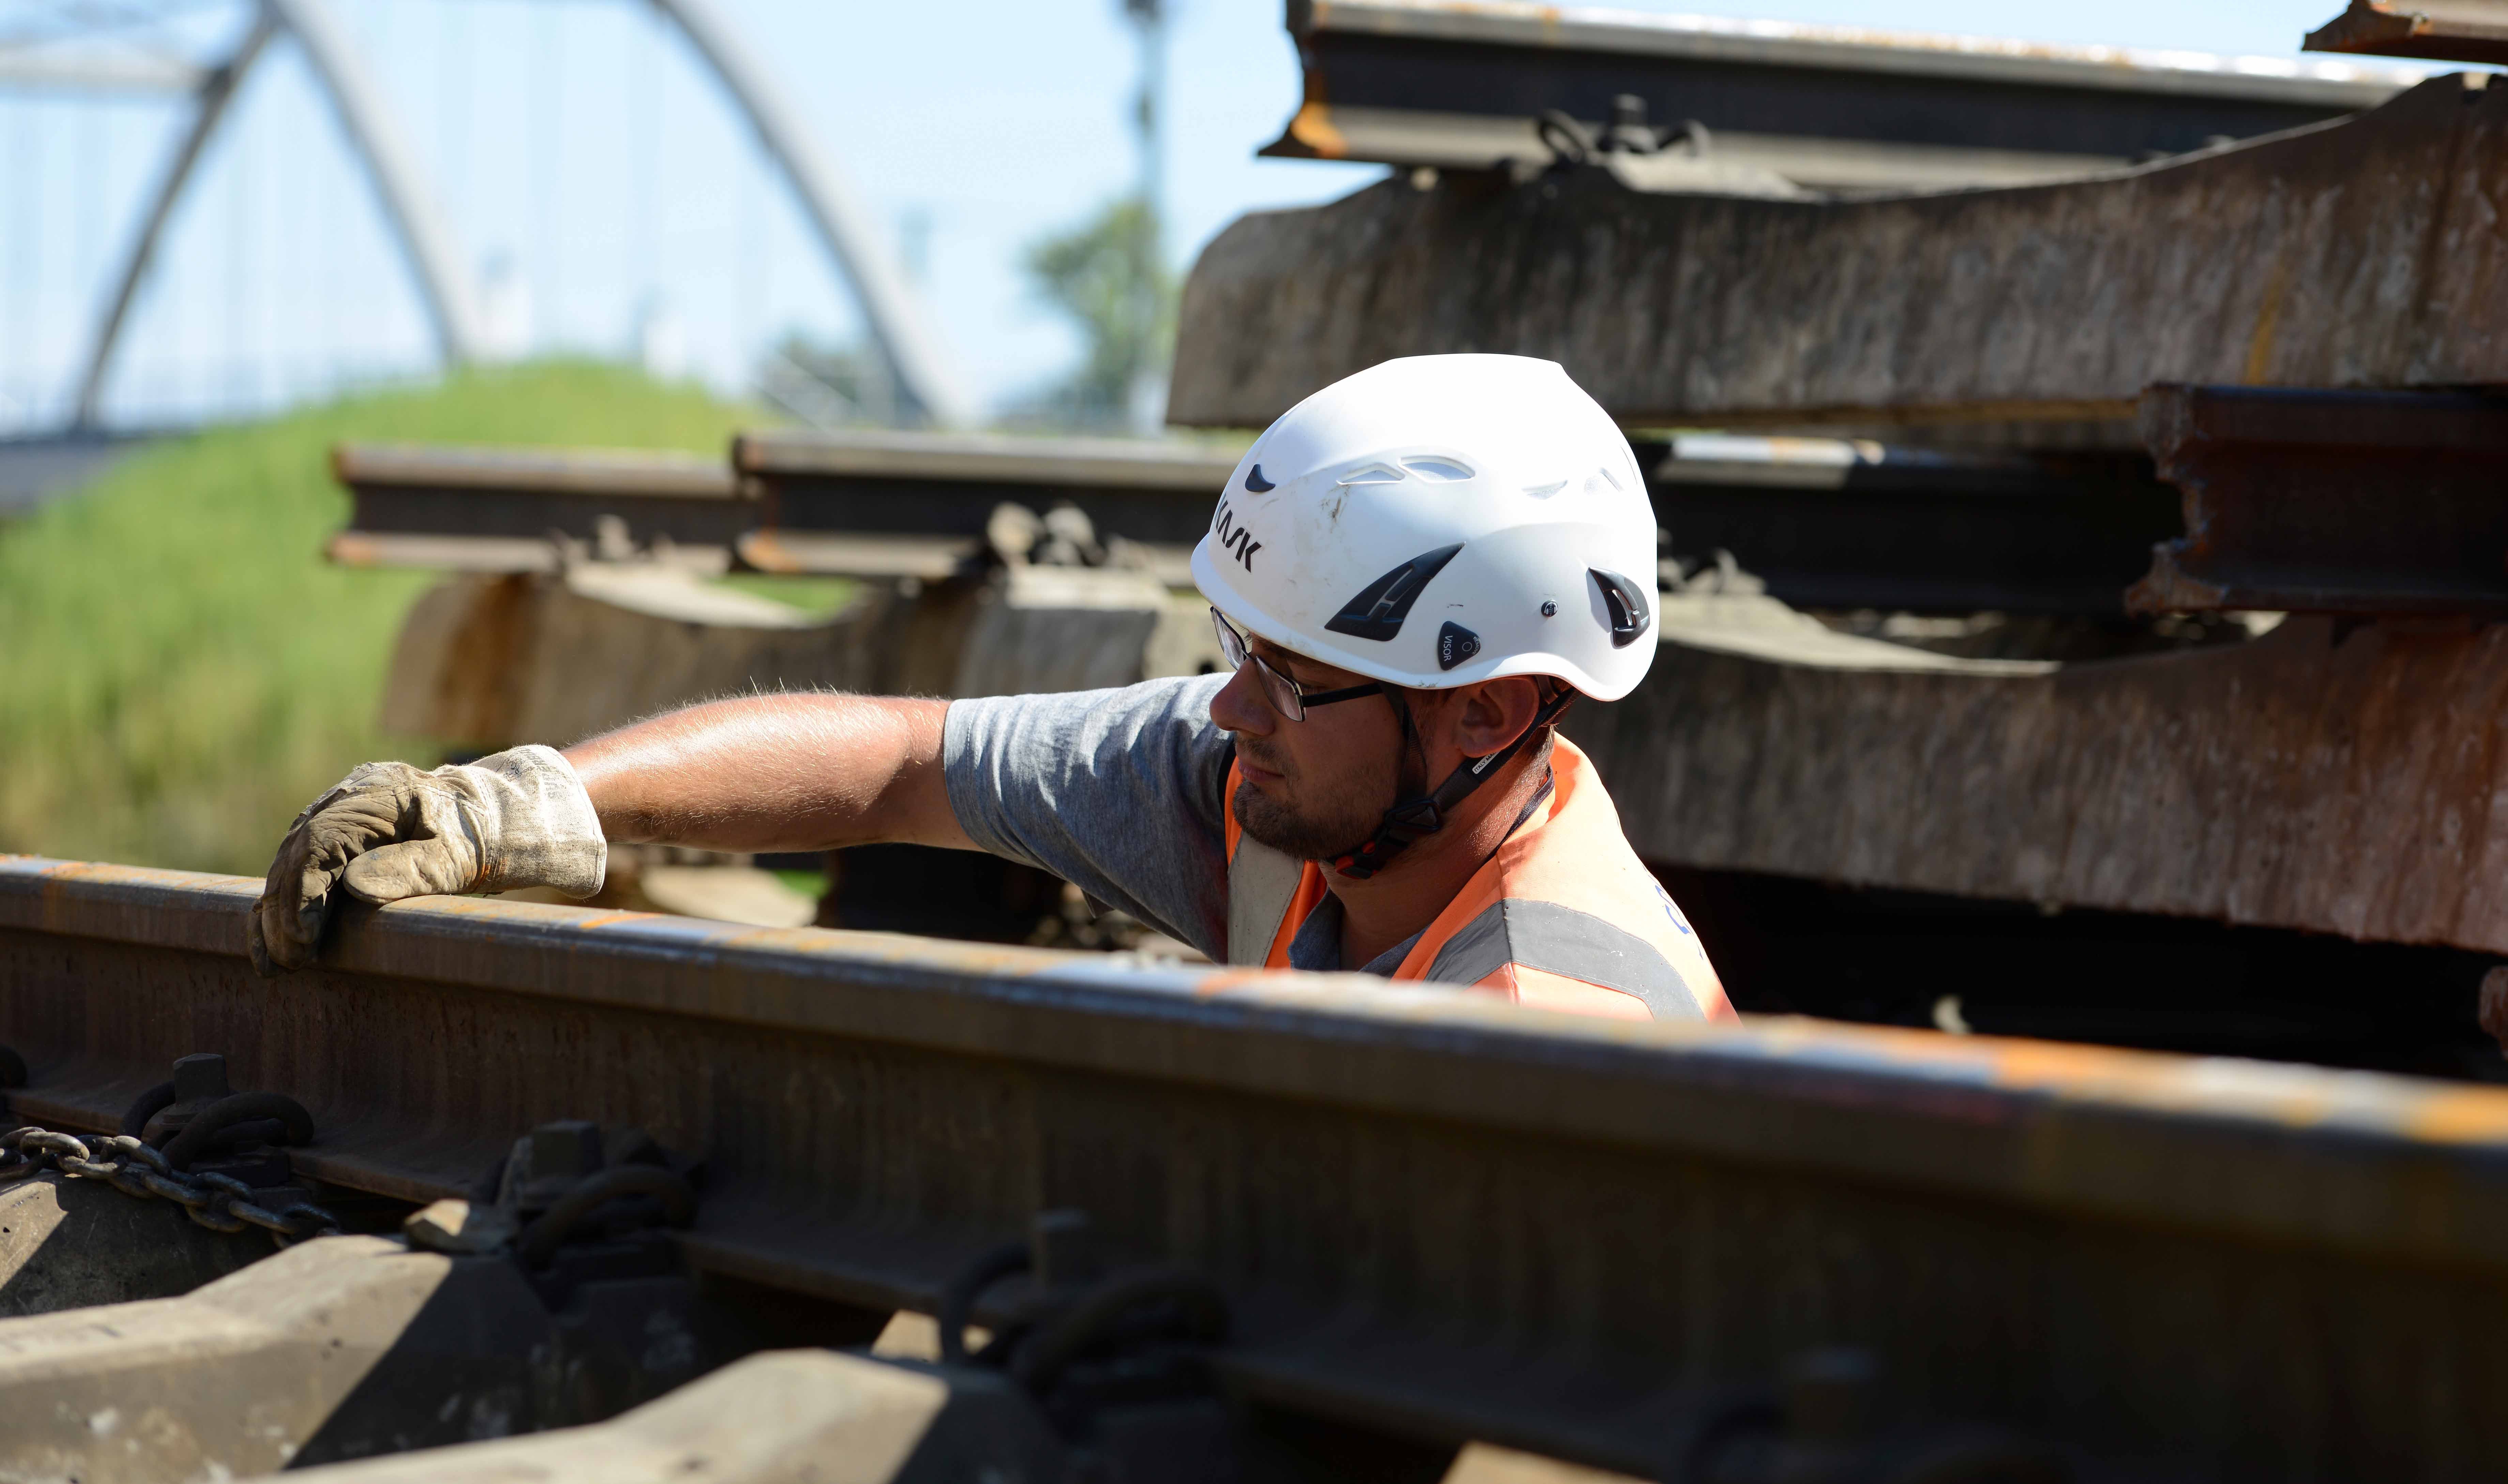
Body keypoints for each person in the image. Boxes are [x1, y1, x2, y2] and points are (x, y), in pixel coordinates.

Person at [249, 355, 1730, 1021]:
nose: (1228, 715)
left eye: (1290, 680)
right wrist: (535, 802)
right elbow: (899, 759)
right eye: (1238, 657)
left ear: (1485, 710)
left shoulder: (1544, 1012)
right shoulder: (1304, 800)